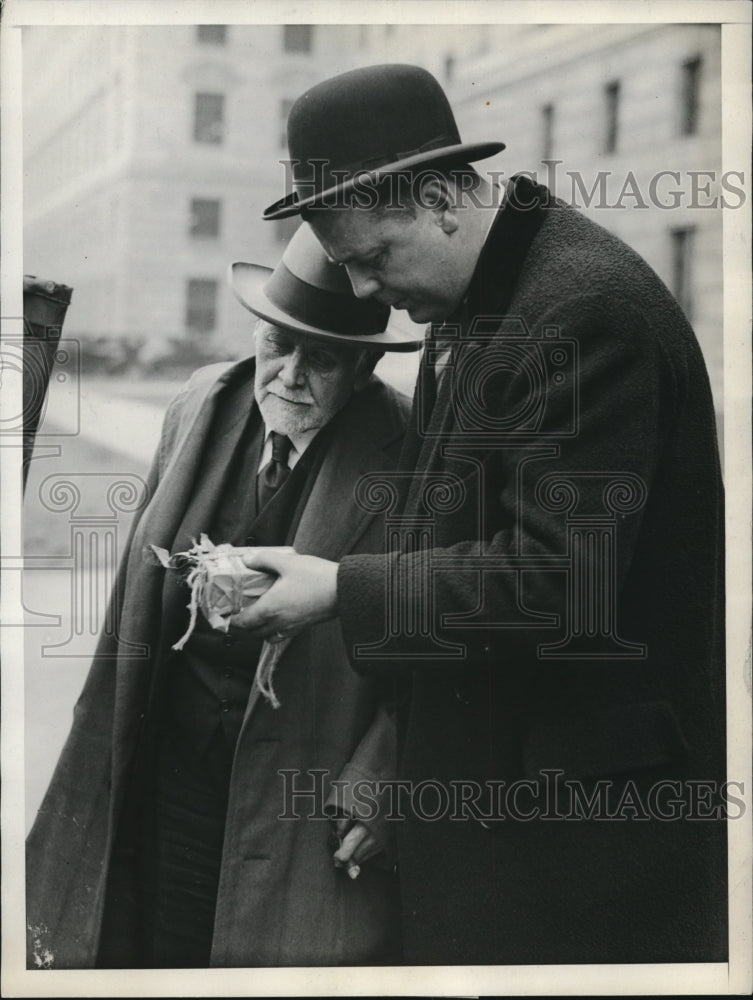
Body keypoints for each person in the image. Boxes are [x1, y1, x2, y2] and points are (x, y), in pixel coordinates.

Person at [239, 63, 728, 964]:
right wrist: (393, 741)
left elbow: (553, 583)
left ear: (439, 198)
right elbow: (446, 530)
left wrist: (339, 588)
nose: (358, 294)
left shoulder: (585, 314)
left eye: (372, 259)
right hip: (497, 812)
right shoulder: (475, 300)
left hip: (576, 847)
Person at [25, 222, 421, 969]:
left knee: (262, 960)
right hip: (169, 756)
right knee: (149, 941)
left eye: (324, 360)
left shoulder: (405, 449)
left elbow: (428, 636)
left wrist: (381, 779)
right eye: (277, 345)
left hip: (299, 785)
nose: (289, 377)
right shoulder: (202, 402)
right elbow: (137, 595)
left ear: (366, 367)